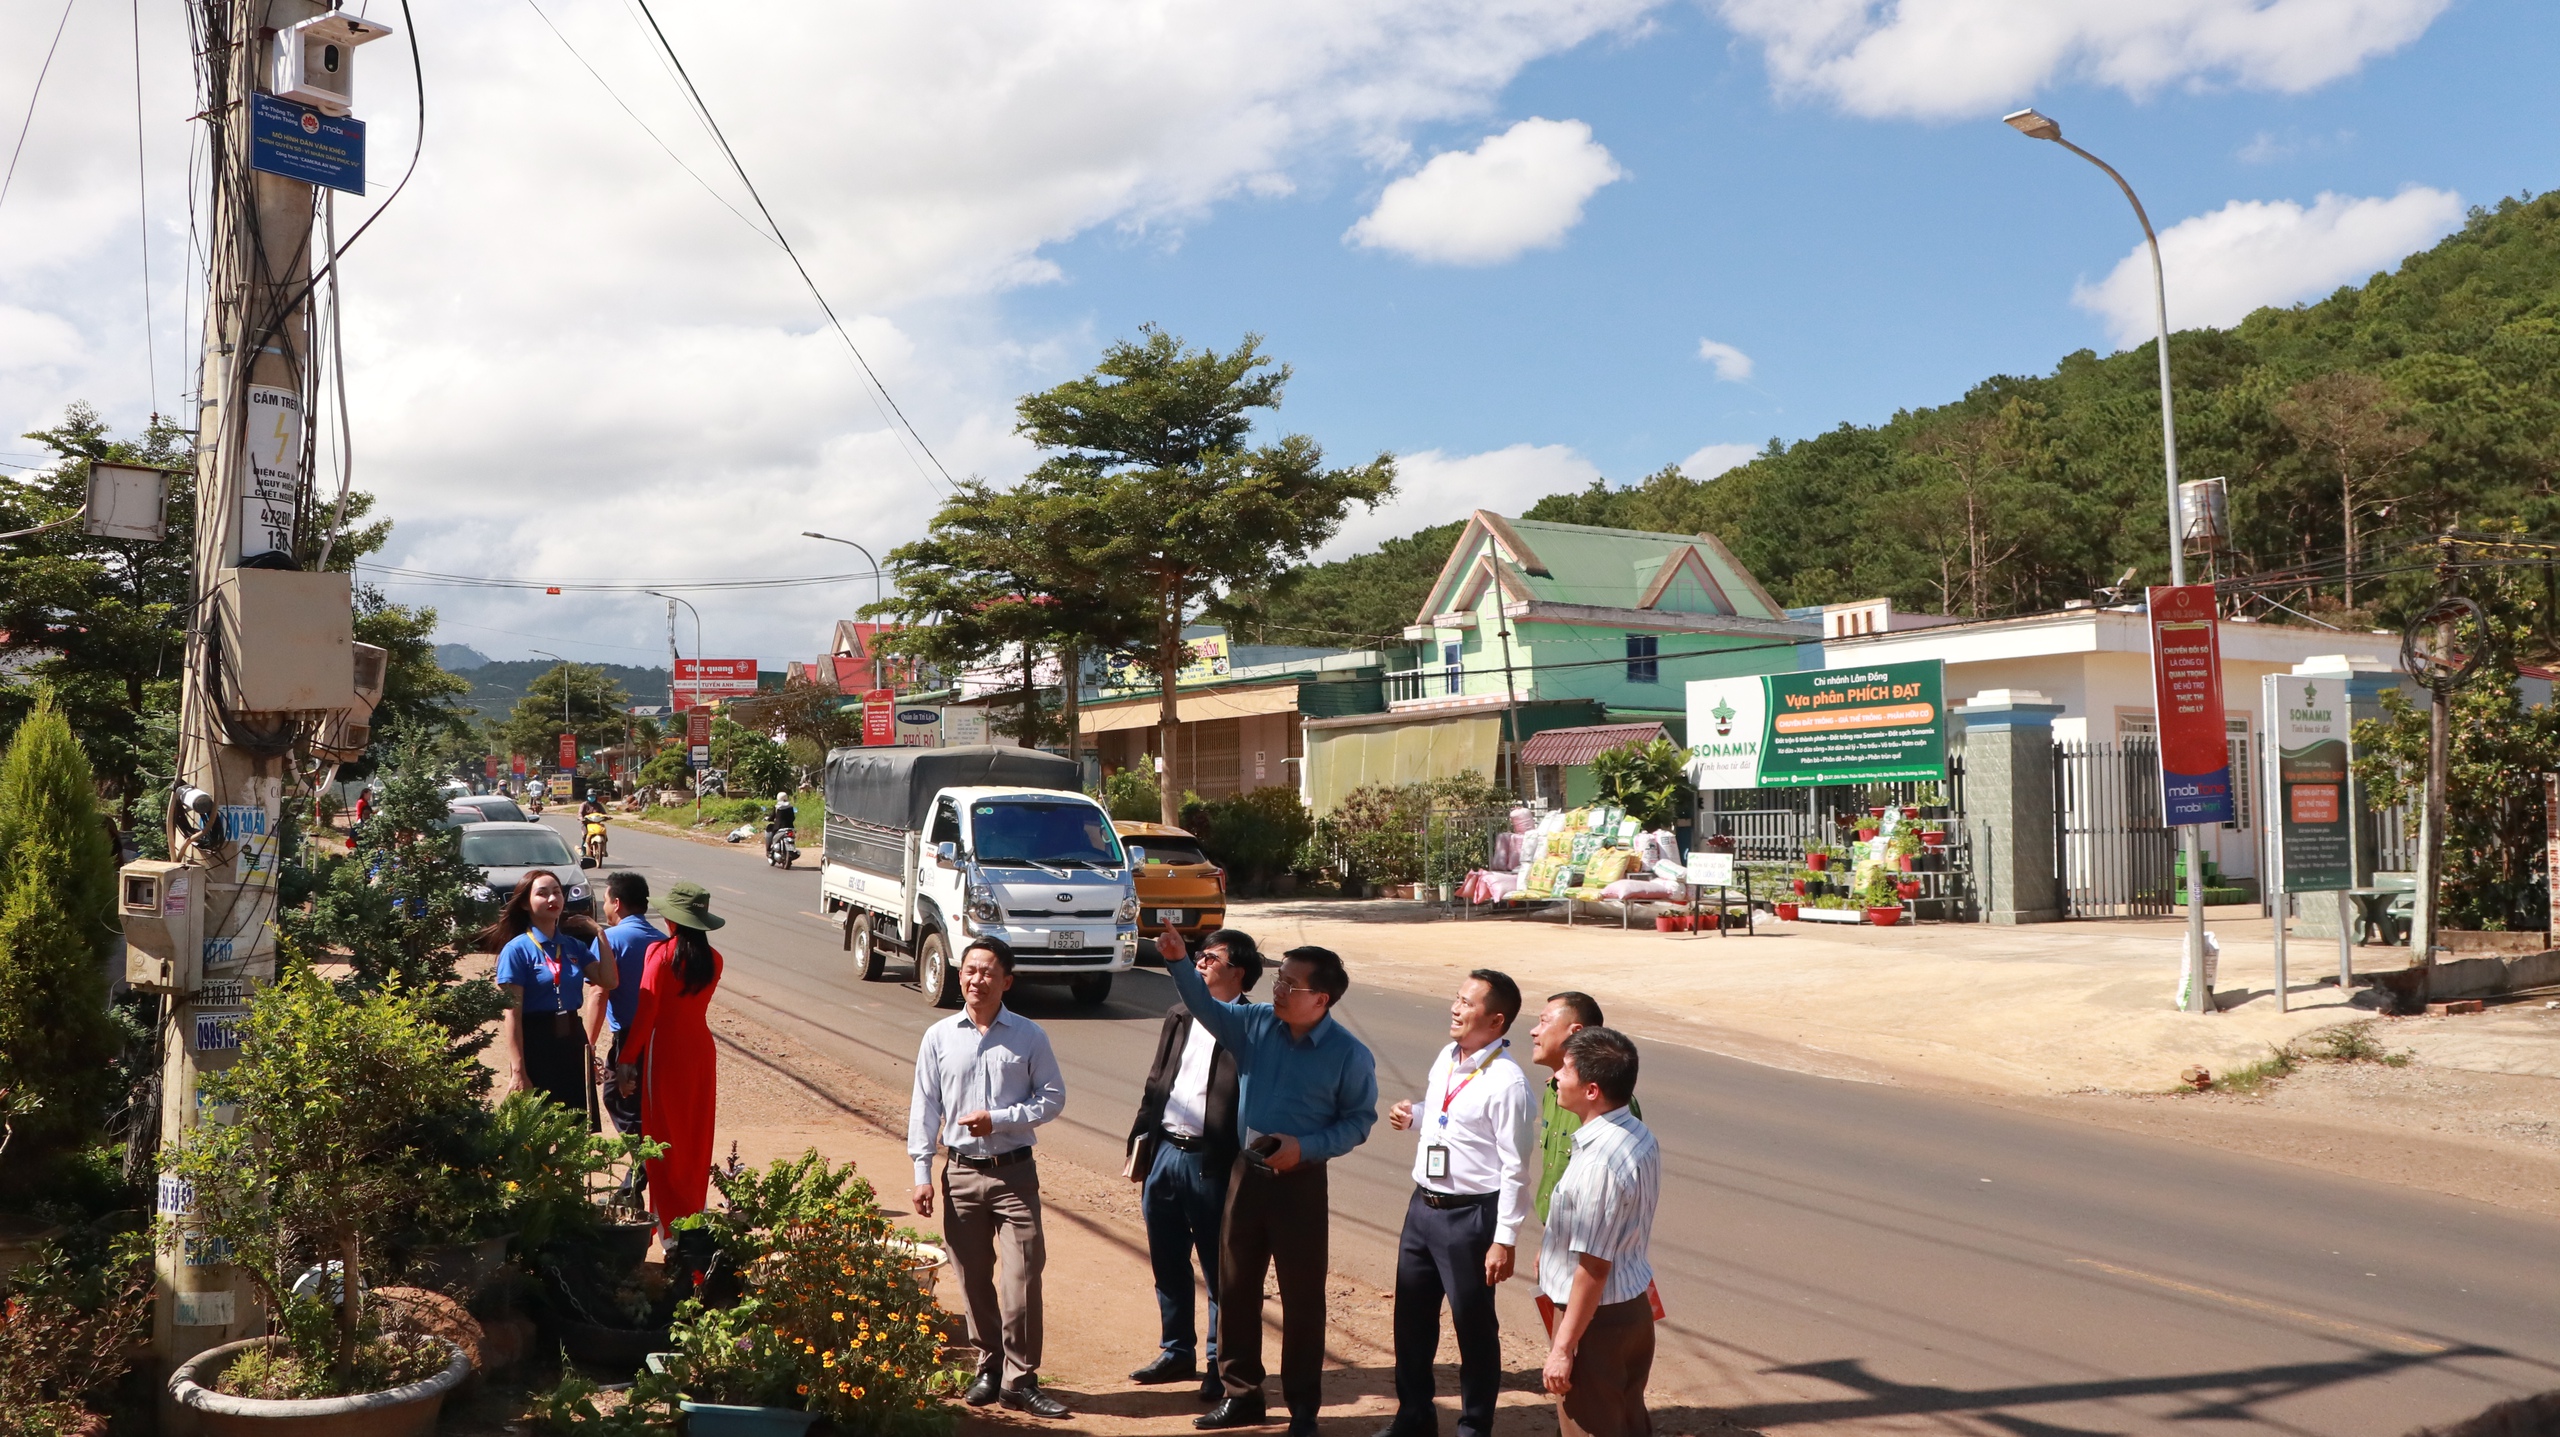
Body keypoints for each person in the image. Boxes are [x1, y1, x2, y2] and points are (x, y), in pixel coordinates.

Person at [1160, 924, 1378, 1437]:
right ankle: (1242, 1395)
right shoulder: (1255, 1023)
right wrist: (1175, 961)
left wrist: (1305, 1148)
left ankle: (1303, 1407)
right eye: (1279, 980)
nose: (1277, 990)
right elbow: (1207, 1006)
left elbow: (1358, 1121)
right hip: (1246, 1173)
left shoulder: (1349, 1055)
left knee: (1303, 1298)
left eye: (1291, 985)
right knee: (1235, 1288)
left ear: (1321, 998)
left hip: (1300, 1182)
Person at [907, 937, 1070, 1418]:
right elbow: (925, 1107)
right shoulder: (939, 1036)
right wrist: (922, 1172)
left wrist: (1000, 1119)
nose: (976, 980)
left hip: (1015, 1174)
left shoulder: (1029, 1036)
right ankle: (990, 1367)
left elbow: (1053, 1098)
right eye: (970, 970)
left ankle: (1022, 1379)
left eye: (987, 972)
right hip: (960, 1174)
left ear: (1007, 981)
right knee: (973, 1278)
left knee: (1021, 1281)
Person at [1381, 969, 1532, 1437]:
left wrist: (1503, 1240)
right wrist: (1414, 1117)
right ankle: (1414, 1415)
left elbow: (1515, 1168)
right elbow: (1449, 1121)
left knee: (1473, 1327)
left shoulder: (1508, 1082)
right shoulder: (1448, 1056)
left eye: (1467, 1003)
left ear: (1496, 1019)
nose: (1455, 1008)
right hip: (1422, 1208)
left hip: (1470, 1218)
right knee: (1411, 1320)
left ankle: (1474, 1426)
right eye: (1457, 998)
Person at [1126, 929, 1262, 1401]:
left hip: (1213, 1162)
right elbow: (1156, 1081)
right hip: (1165, 1154)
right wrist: (1140, 1143)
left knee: (1219, 1269)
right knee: (1167, 1258)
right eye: (1198, 956)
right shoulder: (1180, 1014)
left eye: (1211, 957)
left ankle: (1217, 1363)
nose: (1200, 962)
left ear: (1238, 972)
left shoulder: (1249, 1025)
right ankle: (1176, 1349)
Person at [1537, 1028, 1659, 1437]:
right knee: (1627, 1421)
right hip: (1631, 1308)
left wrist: (1562, 1348)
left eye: (1566, 1071)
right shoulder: (1638, 1135)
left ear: (1592, 1090)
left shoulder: (1598, 1165)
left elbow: (1594, 1266)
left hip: (1595, 1320)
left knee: (1591, 1429)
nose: (1556, 1078)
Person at [616, 879, 725, 1236]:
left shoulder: (659, 955)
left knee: (661, 1137)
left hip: (664, 1053)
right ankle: (695, 1215)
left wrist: (626, 1060)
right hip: (700, 1053)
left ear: (673, 920)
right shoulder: (714, 960)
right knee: (695, 1137)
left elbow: (647, 1013)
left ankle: (667, 1228)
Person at [481, 870, 615, 1115]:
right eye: (542, 893)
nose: (552, 898)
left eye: (556, 892)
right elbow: (512, 1015)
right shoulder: (517, 950)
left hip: (572, 1041)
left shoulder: (573, 945)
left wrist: (599, 933)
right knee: (538, 1129)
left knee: (575, 1127)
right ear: (524, 903)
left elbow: (608, 980)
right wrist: (519, 1070)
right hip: (536, 1041)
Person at [1528, 993, 1640, 1222]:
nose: (1534, 1031)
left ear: (1576, 1032)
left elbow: (1618, 1185)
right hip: (1556, 1232)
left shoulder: (1606, 1100)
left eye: (1544, 1021)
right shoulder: (1554, 1091)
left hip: (1589, 1241)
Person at [586, 872, 661, 1160]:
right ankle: (642, 1173)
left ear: (616, 903)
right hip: (658, 1038)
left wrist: (588, 1044)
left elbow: (598, 994)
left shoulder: (610, 940)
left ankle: (639, 1174)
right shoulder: (662, 941)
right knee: (645, 1105)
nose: (604, 907)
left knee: (617, 1099)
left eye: (605, 901)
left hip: (629, 1039)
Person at [765, 790, 797, 861]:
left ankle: (769, 850)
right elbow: (793, 817)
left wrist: (768, 818)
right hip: (790, 827)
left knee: (771, 834)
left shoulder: (777, 807)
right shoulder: (790, 807)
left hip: (779, 827)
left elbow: (772, 817)